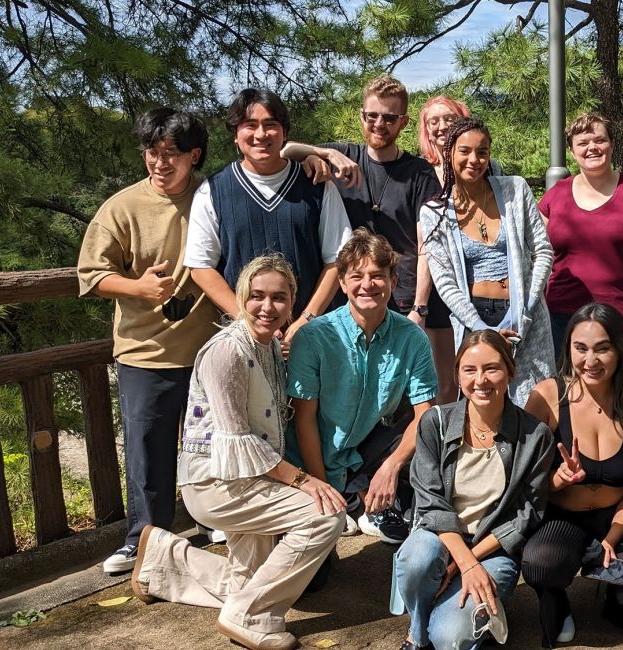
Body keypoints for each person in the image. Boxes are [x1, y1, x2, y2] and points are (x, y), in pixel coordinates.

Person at [129, 255, 346, 650]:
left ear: (292, 303)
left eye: (279, 298)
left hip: (248, 478)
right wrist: (303, 480)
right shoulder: (226, 351)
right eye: (257, 296)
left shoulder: (269, 347)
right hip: (215, 483)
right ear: (241, 297)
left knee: (245, 582)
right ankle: (250, 617)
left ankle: (162, 560)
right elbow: (237, 439)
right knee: (325, 515)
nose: (267, 307)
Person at [77, 107, 217, 573]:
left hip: (209, 351)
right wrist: (136, 287)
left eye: (171, 155)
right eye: (152, 154)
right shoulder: (121, 206)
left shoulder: (213, 196)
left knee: (215, 445)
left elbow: (268, 164)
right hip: (144, 352)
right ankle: (143, 541)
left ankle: (215, 520)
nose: (160, 164)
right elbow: (91, 274)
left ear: (194, 156)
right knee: (147, 450)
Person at [522, 303, 623, 647]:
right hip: (563, 516)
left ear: (621, 349)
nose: (590, 360)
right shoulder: (547, 396)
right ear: (568, 348)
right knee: (540, 564)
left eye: (603, 348)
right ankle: (556, 598)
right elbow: (525, 483)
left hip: (621, 514)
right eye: (580, 348)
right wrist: (558, 479)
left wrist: (612, 537)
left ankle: (611, 592)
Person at [394, 330, 553, 650]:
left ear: (511, 371)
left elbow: (526, 515)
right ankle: (418, 632)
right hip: (437, 538)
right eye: (470, 369)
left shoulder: (535, 435)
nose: (481, 379)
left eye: (492, 368)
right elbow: (431, 504)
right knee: (417, 559)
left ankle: (472, 617)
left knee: (451, 639)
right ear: (457, 375)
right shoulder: (435, 423)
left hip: (491, 549)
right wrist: (462, 563)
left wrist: (465, 563)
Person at [286, 229, 438, 543]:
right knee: (317, 576)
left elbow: (425, 412)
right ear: (342, 283)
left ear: (394, 282)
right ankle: (345, 493)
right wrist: (321, 487)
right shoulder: (314, 337)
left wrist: (392, 466)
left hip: (367, 446)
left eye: (377, 275)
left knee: (427, 426)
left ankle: (379, 493)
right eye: (356, 276)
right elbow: (303, 418)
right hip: (312, 455)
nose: (367, 285)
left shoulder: (412, 338)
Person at [184, 88, 352, 349]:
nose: (260, 134)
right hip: (243, 343)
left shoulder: (317, 186)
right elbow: (201, 266)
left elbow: (338, 258)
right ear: (235, 135)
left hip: (313, 338)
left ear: (284, 132)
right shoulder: (213, 191)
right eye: (250, 125)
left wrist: (307, 320)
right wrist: (246, 321)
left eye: (270, 125)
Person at [419, 117, 555, 407]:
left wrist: (526, 310)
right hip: (475, 319)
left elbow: (543, 250)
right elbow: (444, 281)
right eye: (465, 151)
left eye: (482, 151)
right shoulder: (435, 212)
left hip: (526, 316)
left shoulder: (514, 190)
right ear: (449, 154)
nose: (474, 159)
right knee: (485, 402)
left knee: (535, 403)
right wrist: (482, 329)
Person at [282, 74, 442, 321]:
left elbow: (427, 247)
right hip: (346, 297)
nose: (379, 124)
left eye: (389, 118)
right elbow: (284, 151)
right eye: (372, 116)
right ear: (362, 116)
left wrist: (419, 308)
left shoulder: (419, 173)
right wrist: (322, 154)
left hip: (400, 299)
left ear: (403, 122)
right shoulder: (342, 155)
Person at [539, 112, 623, 353]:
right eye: (582, 143)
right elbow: (533, 249)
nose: (592, 148)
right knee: (566, 386)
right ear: (572, 152)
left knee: (618, 388)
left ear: (612, 144)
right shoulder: (555, 195)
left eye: (599, 140)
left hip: (620, 315)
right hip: (562, 315)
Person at [412, 94, 506, 403]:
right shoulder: (419, 172)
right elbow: (425, 244)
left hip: (481, 293)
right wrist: (419, 305)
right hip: (435, 289)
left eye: (448, 119)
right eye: (433, 121)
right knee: (445, 382)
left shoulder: (488, 168)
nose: (441, 127)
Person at [416, 95, 505, 185]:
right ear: (427, 129)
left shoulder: (490, 168)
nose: (442, 127)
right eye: (434, 122)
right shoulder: (418, 170)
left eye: (450, 119)